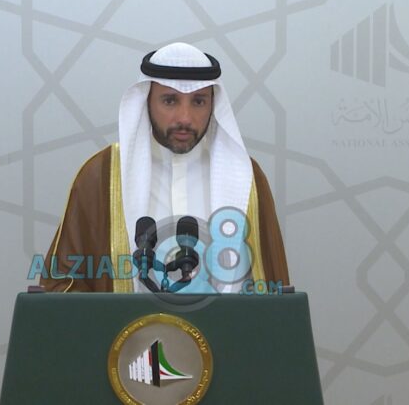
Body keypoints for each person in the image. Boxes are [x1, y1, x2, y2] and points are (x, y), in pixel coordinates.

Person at [40, 42, 289, 292]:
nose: (185, 118)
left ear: (213, 105)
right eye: (170, 101)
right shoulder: (102, 175)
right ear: (147, 101)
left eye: (198, 102)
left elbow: (272, 288)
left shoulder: (245, 177)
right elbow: (63, 285)